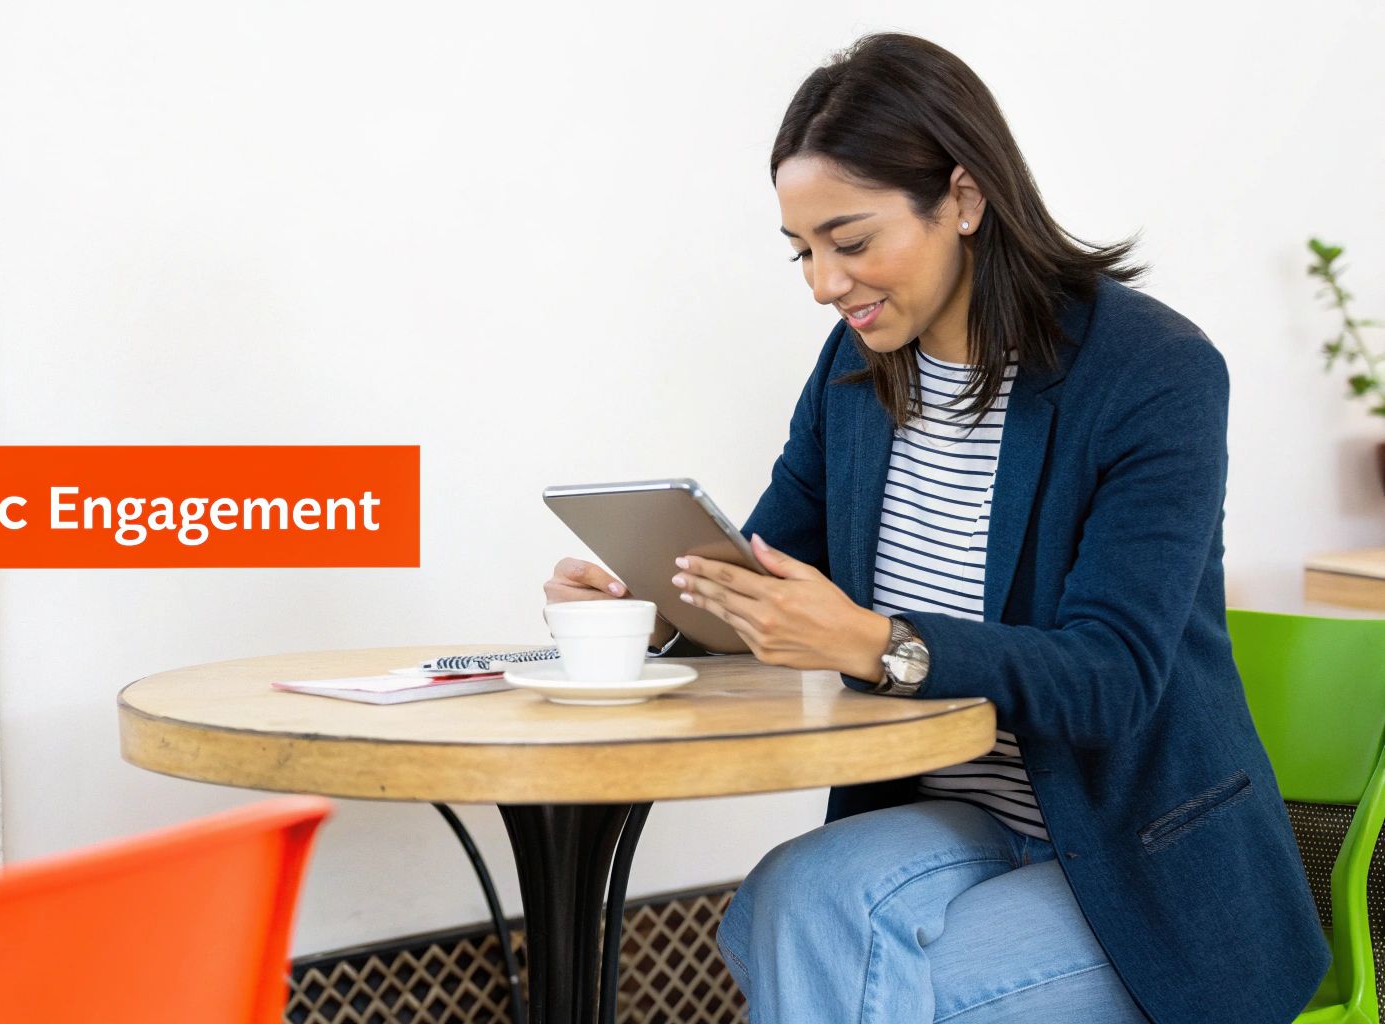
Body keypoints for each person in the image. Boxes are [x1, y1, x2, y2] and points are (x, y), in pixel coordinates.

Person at [541, 32, 1328, 1024]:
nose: (823, 283)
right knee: (788, 905)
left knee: (860, 991)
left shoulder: (1149, 373)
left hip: (1136, 859)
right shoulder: (853, 369)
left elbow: (1111, 678)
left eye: (850, 240)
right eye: (802, 251)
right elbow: (768, 575)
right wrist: (642, 607)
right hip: (960, 821)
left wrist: (880, 644)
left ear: (961, 197)